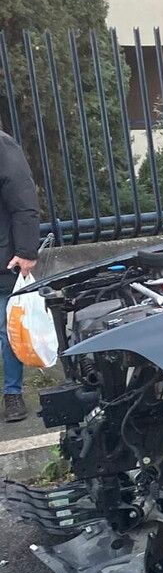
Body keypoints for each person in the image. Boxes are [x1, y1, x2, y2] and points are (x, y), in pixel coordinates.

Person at [0, 131, 40, 422]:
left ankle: (12, 394)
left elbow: (23, 199)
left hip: (3, 257)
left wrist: (26, 250)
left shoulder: (2, 146)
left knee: (7, 328)